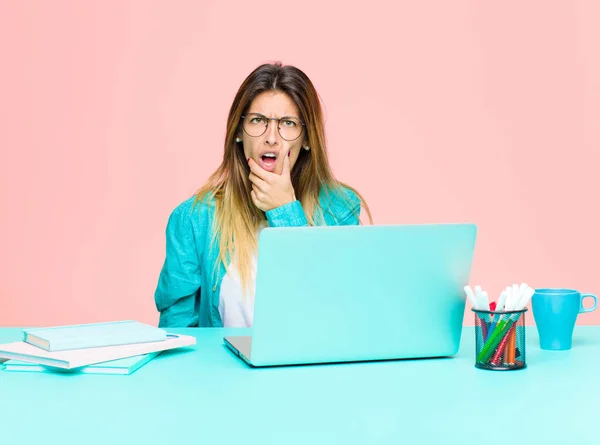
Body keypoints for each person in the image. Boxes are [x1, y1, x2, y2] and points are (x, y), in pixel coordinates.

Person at [154, 62, 373, 328]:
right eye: (258, 121)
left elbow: (334, 318)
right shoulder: (193, 219)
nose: (271, 138)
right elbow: (178, 337)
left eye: (288, 123)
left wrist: (286, 213)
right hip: (223, 370)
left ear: (306, 139)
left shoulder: (340, 209)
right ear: (238, 131)